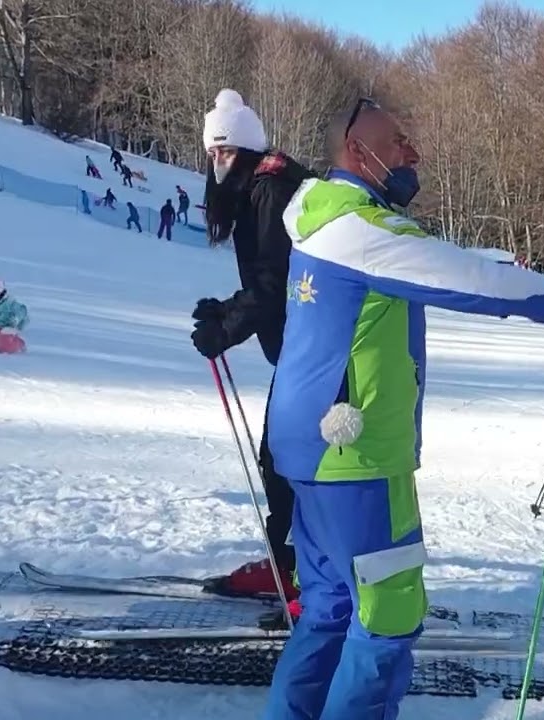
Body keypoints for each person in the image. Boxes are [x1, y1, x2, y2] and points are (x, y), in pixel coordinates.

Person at [261, 96, 544, 720]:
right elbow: (481, 281)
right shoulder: (362, 230)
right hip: (357, 454)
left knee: (330, 609)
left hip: (307, 445)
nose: (410, 154)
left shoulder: (321, 220)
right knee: (388, 616)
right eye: (395, 142)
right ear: (355, 151)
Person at [192, 89, 316, 614]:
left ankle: (306, 574)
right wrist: (224, 311)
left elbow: (273, 282)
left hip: (315, 352)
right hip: (301, 348)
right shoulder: (260, 185)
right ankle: (289, 563)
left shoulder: (270, 189)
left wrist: (228, 327)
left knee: (292, 460)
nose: (218, 164)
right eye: (213, 154)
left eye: (225, 153)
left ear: (243, 150)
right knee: (282, 458)